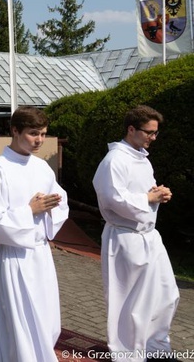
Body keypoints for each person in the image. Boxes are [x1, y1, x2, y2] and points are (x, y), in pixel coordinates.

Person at [0, 106, 69, 362]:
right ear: (15, 131)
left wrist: (52, 205)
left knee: (47, 320)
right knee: (19, 322)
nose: (39, 140)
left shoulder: (42, 168)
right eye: (33, 133)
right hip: (14, 256)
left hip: (40, 254)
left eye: (43, 134)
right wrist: (29, 211)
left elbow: (60, 201)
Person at [92, 105, 179, 361]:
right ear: (131, 129)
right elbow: (111, 198)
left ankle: (157, 348)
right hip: (125, 237)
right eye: (149, 133)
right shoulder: (114, 160)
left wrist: (157, 194)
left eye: (155, 133)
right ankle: (129, 354)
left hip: (150, 236)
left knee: (166, 294)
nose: (153, 138)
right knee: (130, 303)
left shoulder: (141, 156)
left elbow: (142, 191)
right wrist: (148, 197)